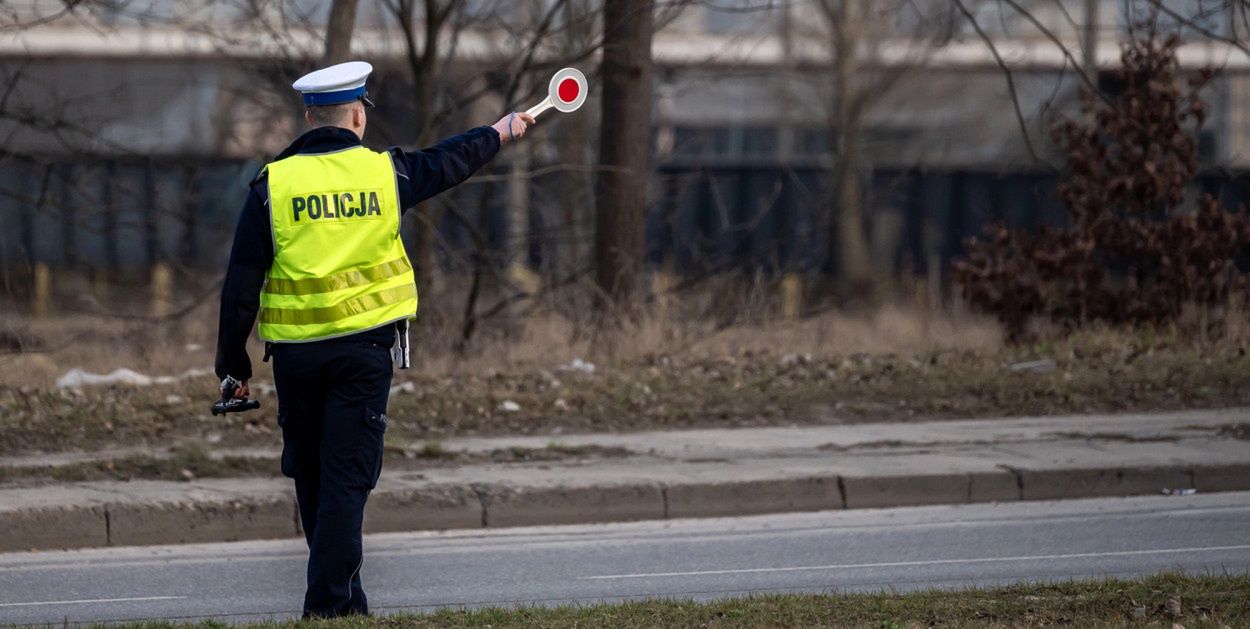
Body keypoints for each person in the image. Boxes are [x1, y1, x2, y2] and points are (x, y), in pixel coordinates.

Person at [213, 60, 534, 618]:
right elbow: (448, 162)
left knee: (313, 477)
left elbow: (241, 282)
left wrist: (233, 367)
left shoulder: (273, 184)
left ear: (310, 117)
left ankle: (346, 602)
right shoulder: (385, 175)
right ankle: (329, 608)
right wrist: (500, 131)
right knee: (345, 479)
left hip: (296, 358)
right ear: (358, 115)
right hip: (362, 355)